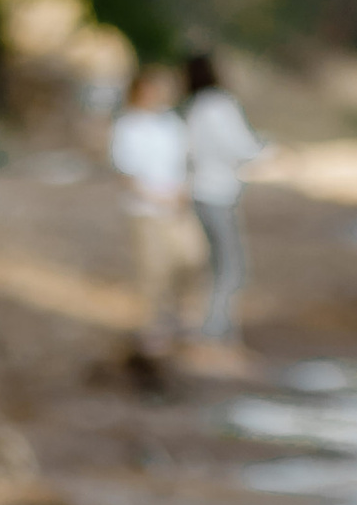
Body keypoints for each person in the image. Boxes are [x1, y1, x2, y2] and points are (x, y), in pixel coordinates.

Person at [107, 62, 193, 361]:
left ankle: (176, 318)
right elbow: (126, 173)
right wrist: (156, 197)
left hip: (176, 205)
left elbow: (183, 160)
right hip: (145, 208)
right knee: (153, 271)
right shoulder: (127, 126)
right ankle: (153, 331)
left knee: (190, 259)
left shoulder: (171, 123)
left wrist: (183, 191)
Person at [182, 50, 262, 361]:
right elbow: (239, 146)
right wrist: (268, 152)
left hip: (199, 191)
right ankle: (216, 329)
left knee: (218, 262)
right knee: (231, 266)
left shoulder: (194, 107)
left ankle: (218, 327)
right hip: (219, 192)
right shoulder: (219, 105)